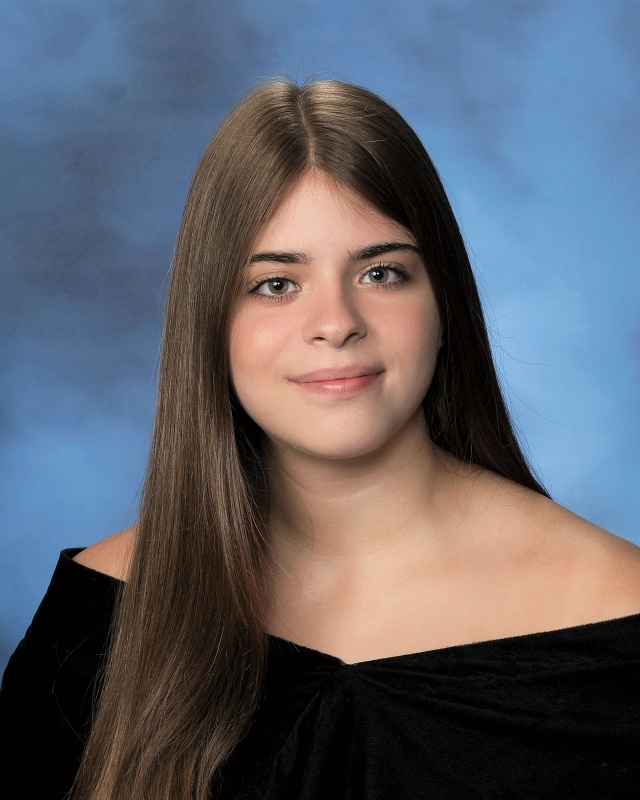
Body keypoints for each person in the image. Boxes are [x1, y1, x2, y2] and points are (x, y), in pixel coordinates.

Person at [1, 78, 640, 800]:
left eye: (381, 272)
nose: (336, 321)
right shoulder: (100, 615)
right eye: (276, 284)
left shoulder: (619, 618)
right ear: (209, 322)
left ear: (444, 302)